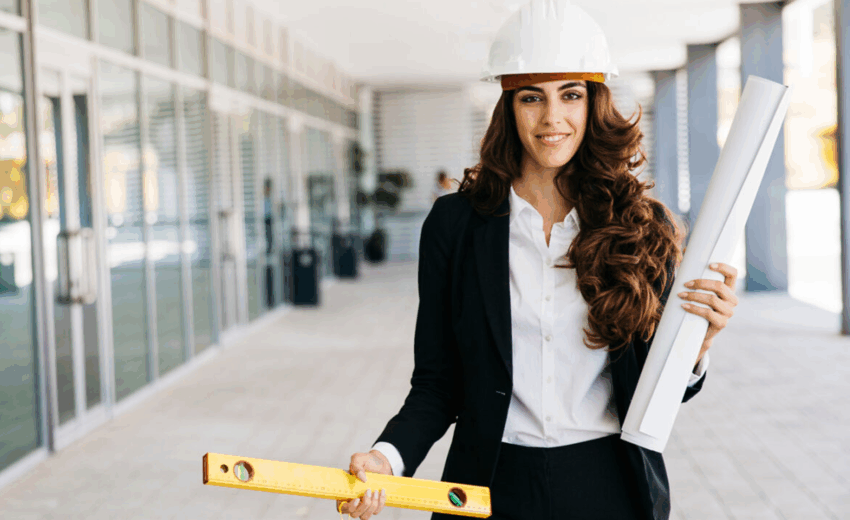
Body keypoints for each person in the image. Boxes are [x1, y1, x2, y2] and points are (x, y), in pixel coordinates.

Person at [336, 1, 739, 519]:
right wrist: (386, 459)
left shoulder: (640, 224)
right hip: (491, 484)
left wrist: (697, 346)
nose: (553, 118)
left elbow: (654, 390)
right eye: (532, 97)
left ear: (594, 103)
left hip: (611, 484)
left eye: (570, 95)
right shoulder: (455, 225)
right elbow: (438, 382)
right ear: (508, 106)